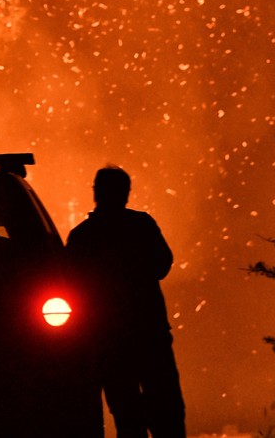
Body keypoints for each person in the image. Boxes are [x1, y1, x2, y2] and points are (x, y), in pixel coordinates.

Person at [67, 166, 186, 438]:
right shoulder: (142, 225)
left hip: (108, 339)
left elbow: (72, 285)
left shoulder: (82, 236)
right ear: (126, 194)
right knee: (166, 407)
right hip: (149, 333)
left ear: (96, 192)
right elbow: (162, 265)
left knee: (125, 411)